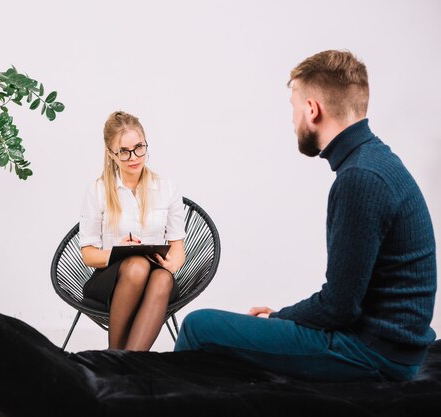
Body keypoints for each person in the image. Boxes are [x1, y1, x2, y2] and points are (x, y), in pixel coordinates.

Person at [175, 50, 437, 382]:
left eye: (294, 107)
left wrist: (275, 319)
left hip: (374, 354)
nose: (293, 118)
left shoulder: (360, 178)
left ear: (312, 109)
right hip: (390, 348)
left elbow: (339, 308)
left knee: (199, 325)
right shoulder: (376, 161)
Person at [79, 110, 186, 351]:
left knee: (160, 277)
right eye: (124, 151)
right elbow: (88, 255)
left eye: (139, 147)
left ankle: (123, 365)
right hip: (111, 279)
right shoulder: (97, 191)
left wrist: (172, 265)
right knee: (137, 266)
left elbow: (178, 247)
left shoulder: (166, 187)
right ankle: (117, 357)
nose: (133, 157)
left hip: (158, 274)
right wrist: (120, 252)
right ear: (111, 154)